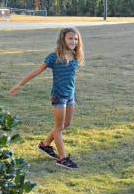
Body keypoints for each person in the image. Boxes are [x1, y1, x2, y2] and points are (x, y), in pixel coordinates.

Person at [9, 27, 85, 169]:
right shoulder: (54, 57)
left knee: (66, 124)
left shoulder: (75, 56)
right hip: (58, 95)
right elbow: (37, 70)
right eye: (70, 38)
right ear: (63, 39)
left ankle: (44, 145)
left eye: (76, 39)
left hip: (70, 95)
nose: (73, 41)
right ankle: (62, 159)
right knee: (58, 127)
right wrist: (19, 84)